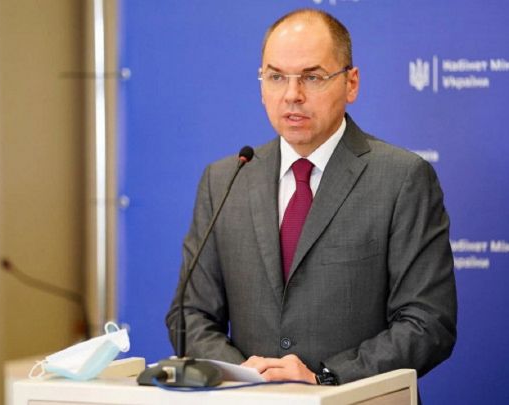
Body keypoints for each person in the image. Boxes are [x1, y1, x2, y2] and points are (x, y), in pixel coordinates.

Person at [166, 8, 457, 386]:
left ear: (351, 83)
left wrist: (325, 378)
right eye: (276, 77)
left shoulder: (402, 178)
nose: (292, 95)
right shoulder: (225, 180)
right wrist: (246, 376)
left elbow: (427, 323)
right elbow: (190, 314)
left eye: (312, 77)